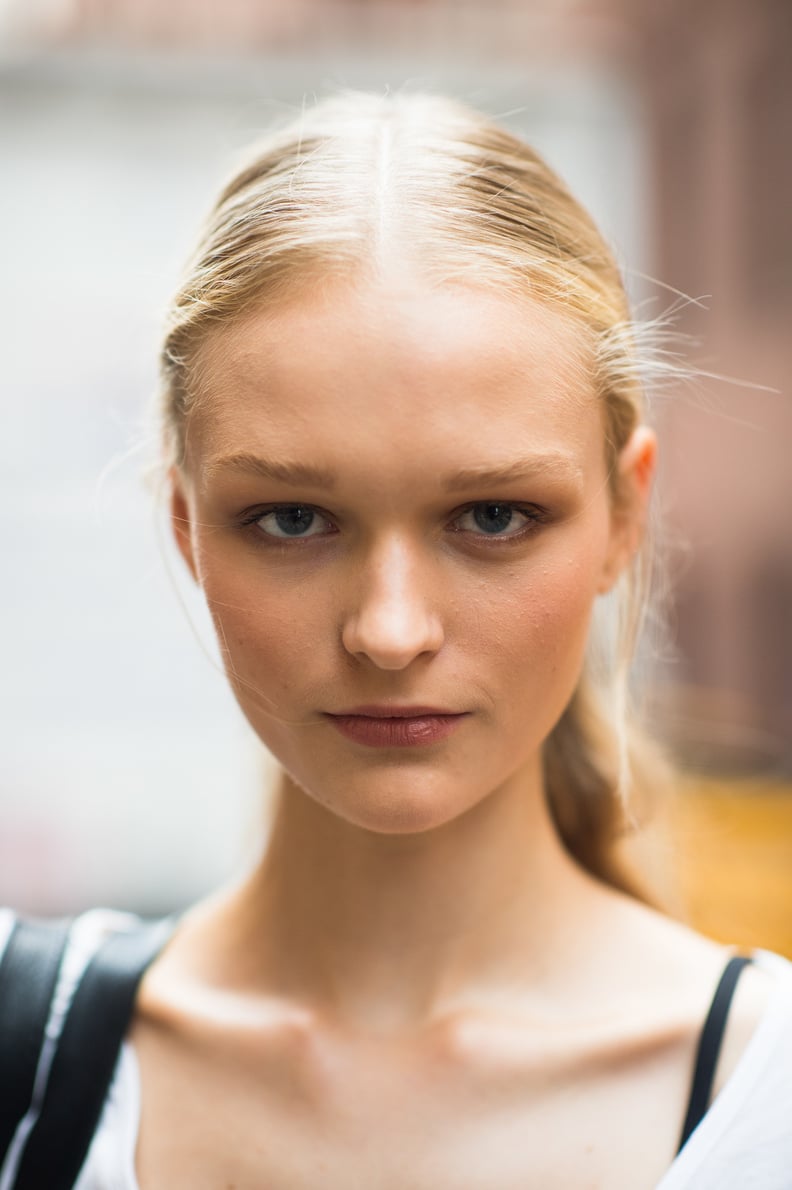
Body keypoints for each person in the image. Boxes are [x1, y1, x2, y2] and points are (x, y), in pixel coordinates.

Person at [2, 90, 792, 1189]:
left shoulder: (769, 1105)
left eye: (492, 516)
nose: (388, 630)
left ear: (626, 516)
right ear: (186, 525)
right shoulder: (25, 1063)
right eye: (290, 519)